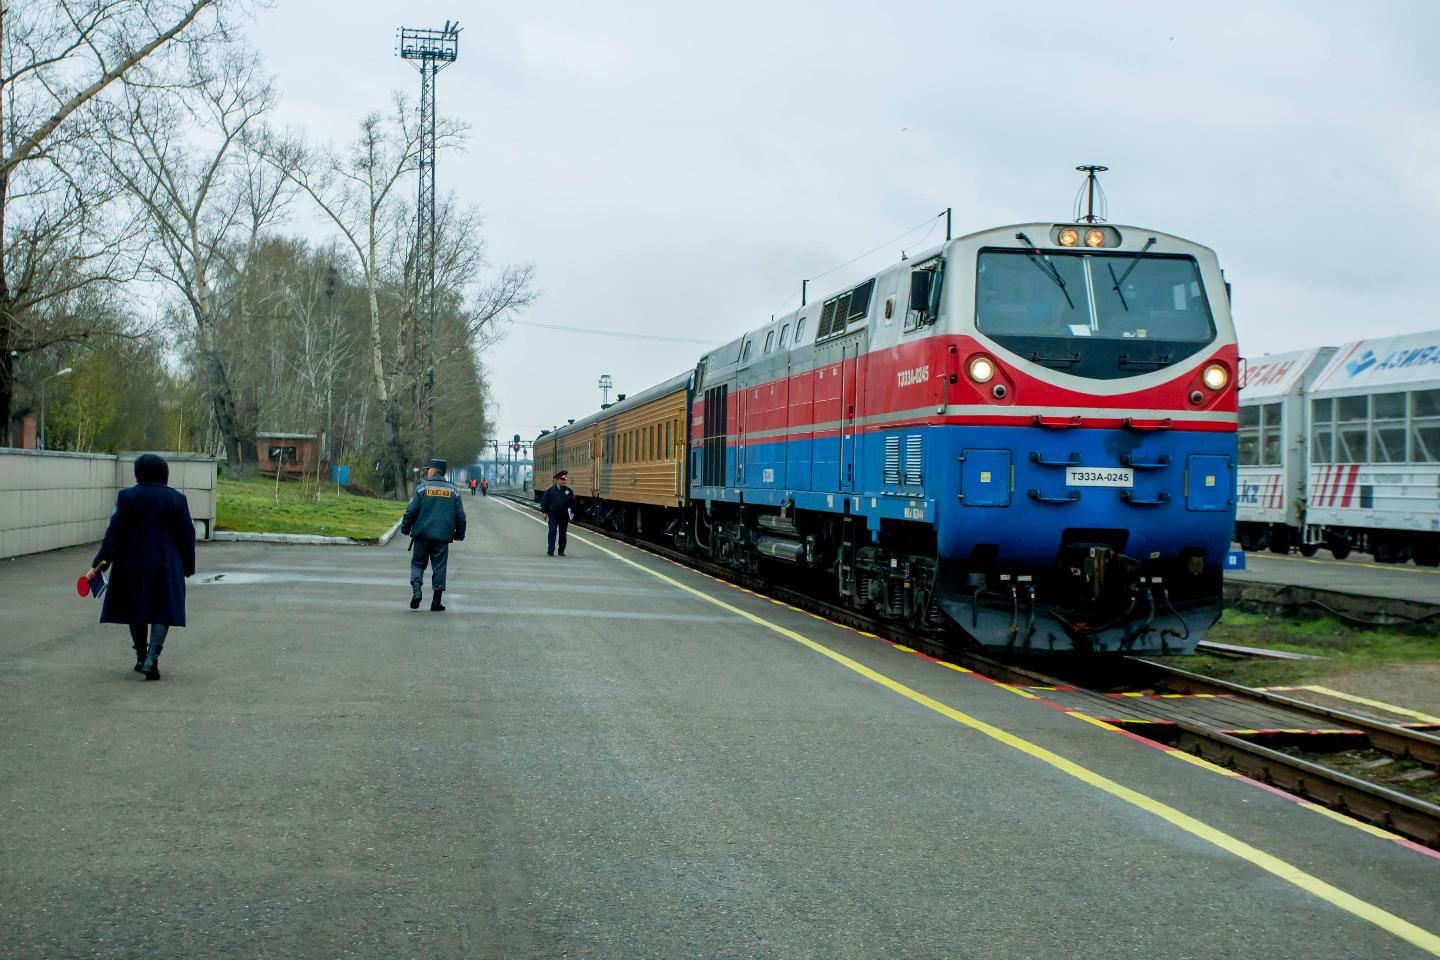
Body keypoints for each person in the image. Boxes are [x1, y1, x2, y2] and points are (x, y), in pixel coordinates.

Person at [85, 453, 196, 681]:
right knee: (162, 609)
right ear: (164, 473)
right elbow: (187, 536)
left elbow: (114, 534)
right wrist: (187, 566)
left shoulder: (127, 497)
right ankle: (152, 658)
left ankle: (140, 655)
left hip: (132, 561)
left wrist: (99, 565)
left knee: (136, 607)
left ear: (138, 473)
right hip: (167, 563)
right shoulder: (176, 499)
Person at [401, 458, 467, 611]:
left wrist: (405, 529)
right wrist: (459, 534)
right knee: (439, 567)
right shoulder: (453, 492)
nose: (427, 471)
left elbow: (410, 512)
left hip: (421, 536)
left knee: (418, 563)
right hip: (442, 538)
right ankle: (436, 602)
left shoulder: (421, 489)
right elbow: (461, 516)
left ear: (434, 471)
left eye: (428, 469)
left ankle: (417, 591)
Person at [538, 470, 575, 556]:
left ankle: (561, 551)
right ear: (557, 480)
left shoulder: (569, 491)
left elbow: (572, 503)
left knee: (563, 533)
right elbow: (544, 502)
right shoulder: (550, 491)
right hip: (553, 514)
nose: (564, 481)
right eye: (562, 479)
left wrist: (572, 512)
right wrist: (544, 512)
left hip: (564, 515)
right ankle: (550, 550)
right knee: (552, 531)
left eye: (565, 479)